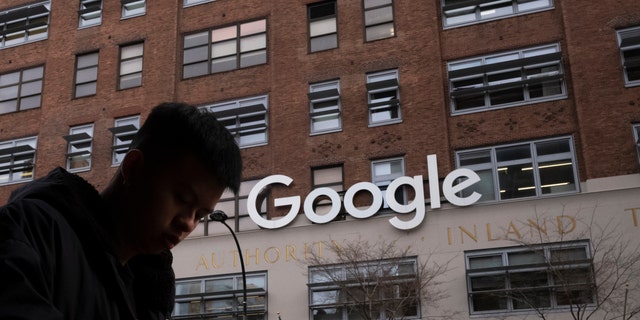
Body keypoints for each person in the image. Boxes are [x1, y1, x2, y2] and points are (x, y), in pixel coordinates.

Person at [0, 102, 242, 320]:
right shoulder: (31, 231)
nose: (188, 223)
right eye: (182, 198)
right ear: (134, 167)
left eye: (200, 215)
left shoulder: (150, 292)